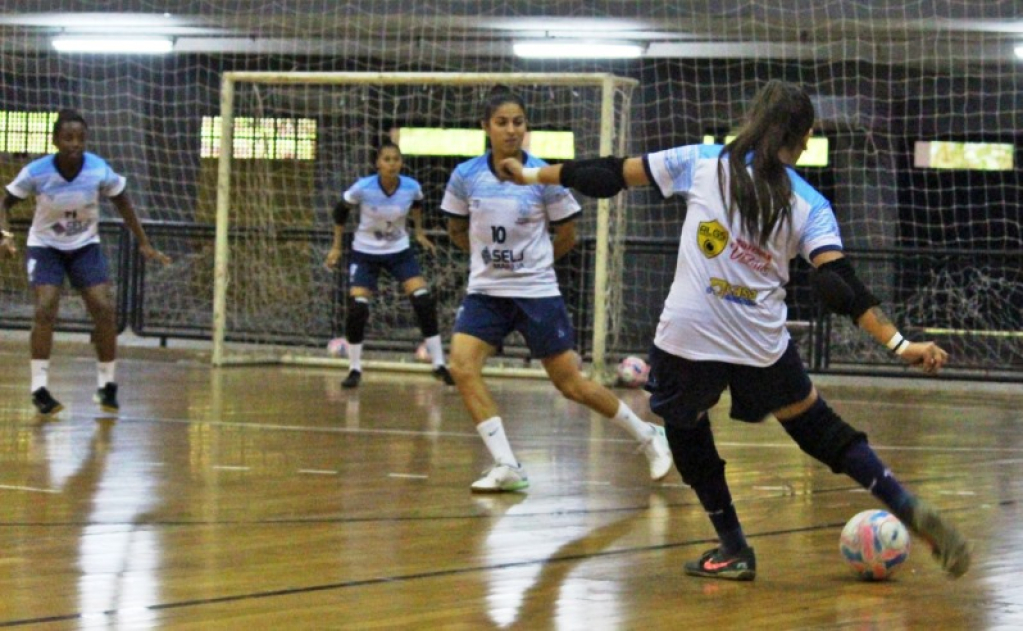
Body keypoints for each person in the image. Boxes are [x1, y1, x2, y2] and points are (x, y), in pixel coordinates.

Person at [498, 80, 971, 579]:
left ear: (755, 121)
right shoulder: (810, 204)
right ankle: (902, 501)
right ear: (804, 138)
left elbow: (609, 173)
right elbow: (840, 285)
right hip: (759, 345)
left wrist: (531, 175)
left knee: (685, 431)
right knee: (821, 430)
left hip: (686, 338)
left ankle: (733, 548)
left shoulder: (704, 160)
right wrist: (900, 343)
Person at [441, 86, 672, 493]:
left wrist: (534, 264)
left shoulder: (543, 177)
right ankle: (506, 464)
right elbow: (456, 229)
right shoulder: (465, 177)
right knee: (461, 366)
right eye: (501, 122)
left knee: (571, 385)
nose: (511, 130)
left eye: (518, 122)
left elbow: (567, 233)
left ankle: (649, 435)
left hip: (536, 293)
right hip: (486, 292)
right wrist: (491, 261)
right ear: (485, 128)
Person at [0, 109, 171, 416]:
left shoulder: (98, 169)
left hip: (84, 247)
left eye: (80, 137)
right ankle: (39, 388)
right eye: (68, 137)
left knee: (104, 309)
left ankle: (107, 386)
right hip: (46, 248)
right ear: (55, 140)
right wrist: (5, 234)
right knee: (45, 308)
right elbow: (4, 201)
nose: (75, 143)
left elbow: (123, 202)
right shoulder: (37, 172)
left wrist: (143, 241)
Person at [325, 140, 454, 388]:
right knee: (358, 308)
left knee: (423, 300)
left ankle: (439, 363)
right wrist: (336, 247)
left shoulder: (411, 187)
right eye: (386, 159)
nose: (391, 164)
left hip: (399, 251)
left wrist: (418, 232)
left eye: (396, 159)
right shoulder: (363, 188)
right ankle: (354, 368)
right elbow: (340, 213)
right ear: (378, 163)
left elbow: (417, 205)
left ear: (401, 163)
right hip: (365, 253)